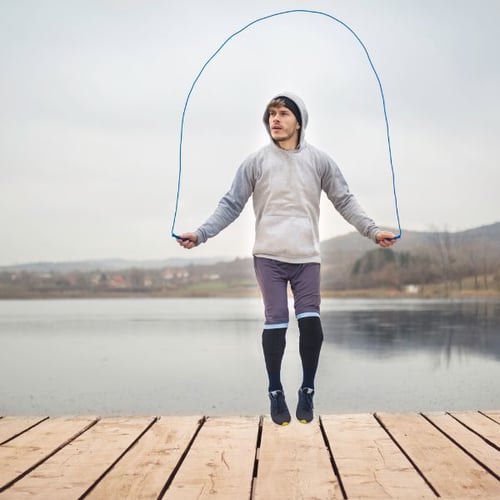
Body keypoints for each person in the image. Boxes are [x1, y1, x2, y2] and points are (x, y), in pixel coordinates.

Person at [176, 92, 397, 425]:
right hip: (269, 256)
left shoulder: (319, 161)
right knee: (277, 321)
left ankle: (307, 390)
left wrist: (371, 230)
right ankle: (275, 390)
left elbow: (345, 200)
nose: (274, 120)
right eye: (270, 115)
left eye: (282, 114)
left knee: (311, 324)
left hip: (307, 257)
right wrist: (202, 233)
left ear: (299, 121)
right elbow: (230, 204)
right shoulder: (256, 162)